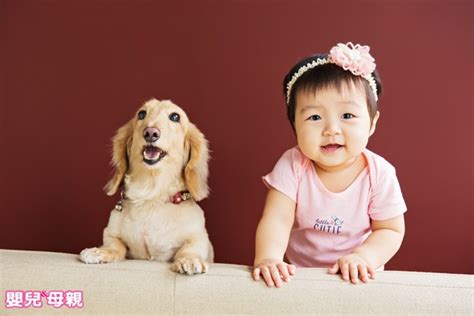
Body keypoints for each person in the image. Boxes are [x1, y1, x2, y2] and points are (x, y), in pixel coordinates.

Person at [252, 42, 407, 287]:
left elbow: (390, 230)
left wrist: (364, 257)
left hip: (359, 275)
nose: (331, 130)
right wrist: (268, 258)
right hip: (301, 274)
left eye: (347, 116)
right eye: (314, 117)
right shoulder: (293, 164)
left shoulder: (380, 174)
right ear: (294, 126)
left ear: (372, 123)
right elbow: (277, 219)